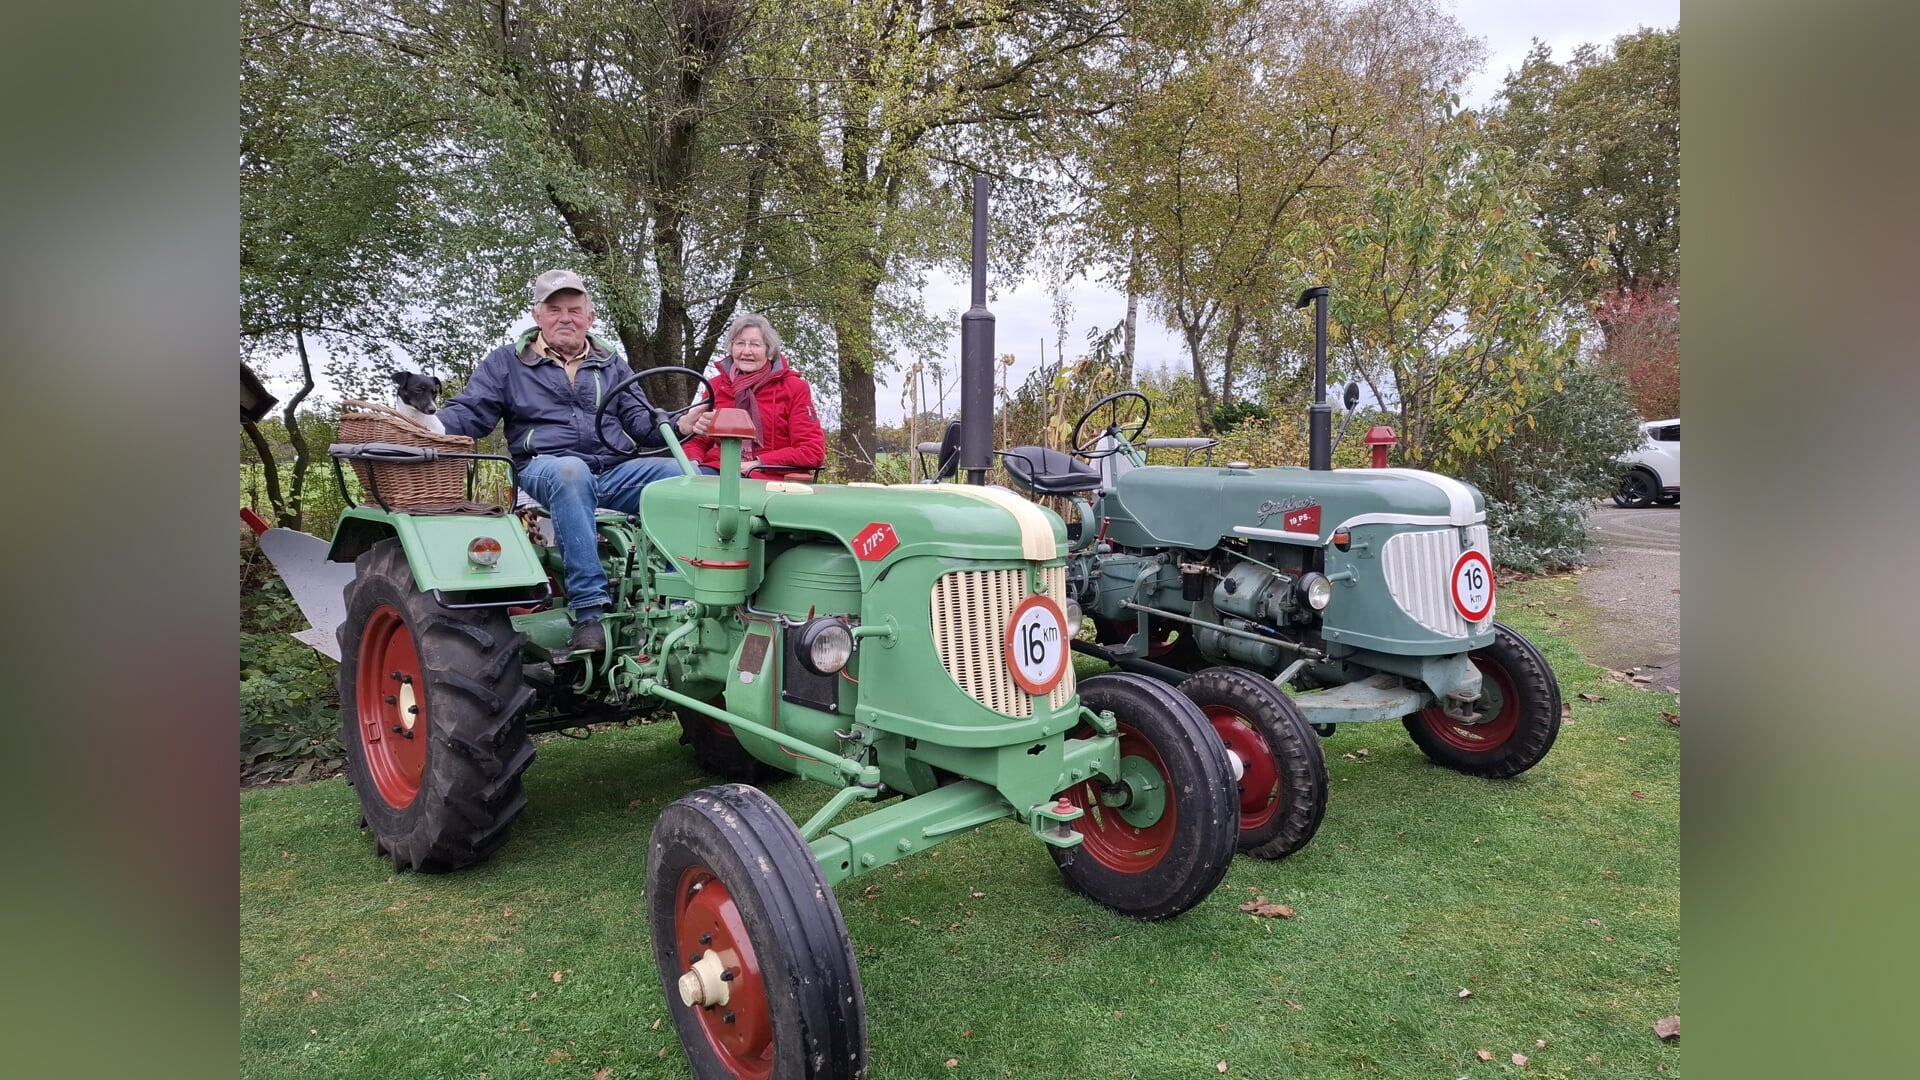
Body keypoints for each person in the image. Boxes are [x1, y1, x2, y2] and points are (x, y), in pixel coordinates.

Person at [436, 269, 681, 652]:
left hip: (613, 469)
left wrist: (683, 422)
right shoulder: (506, 363)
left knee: (684, 475)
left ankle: (678, 598)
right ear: (537, 315)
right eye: (554, 309)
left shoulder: (611, 363)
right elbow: (472, 412)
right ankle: (590, 611)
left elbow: (642, 421)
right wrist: (428, 425)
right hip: (546, 467)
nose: (565, 317)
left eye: (574, 309)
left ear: (590, 317)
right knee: (571, 472)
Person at [676, 312, 826, 478]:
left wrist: (758, 462)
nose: (746, 351)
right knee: (672, 481)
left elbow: (812, 450)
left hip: (771, 476)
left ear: (769, 352)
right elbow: (697, 439)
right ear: (732, 349)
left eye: (755, 345)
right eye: (740, 343)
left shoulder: (794, 388)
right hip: (719, 470)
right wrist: (692, 463)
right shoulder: (716, 386)